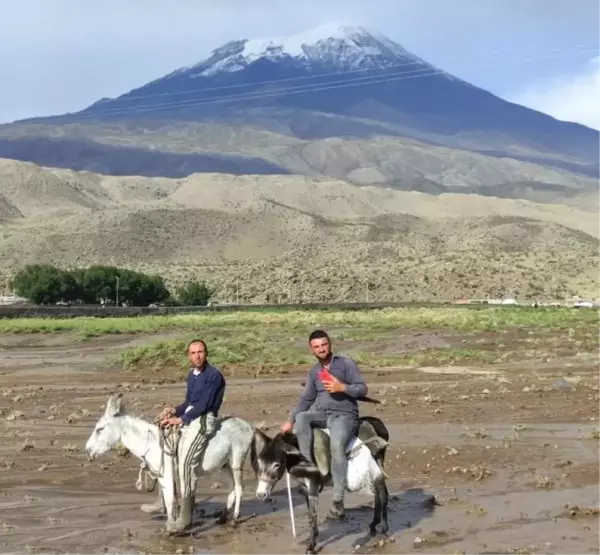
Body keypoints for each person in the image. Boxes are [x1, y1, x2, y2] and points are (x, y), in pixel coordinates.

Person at [281, 329, 367, 520]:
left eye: (324, 345)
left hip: (344, 415)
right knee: (303, 417)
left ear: (330, 344)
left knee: (336, 446)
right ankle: (308, 464)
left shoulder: (346, 364)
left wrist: (342, 387)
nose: (321, 349)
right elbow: (306, 399)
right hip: (322, 414)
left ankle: (338, 499)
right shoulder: (314, 372)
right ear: (311, 349)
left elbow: (362, 388)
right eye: (317, 347)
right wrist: (290, 420)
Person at [142, 338, 226, 533]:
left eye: (201, 352)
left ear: (206, 353)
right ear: (188, 356)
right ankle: (164, 499)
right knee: (166, 447)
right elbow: (189, 401)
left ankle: (185, 518)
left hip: (204, 419)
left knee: (186, 463)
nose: (197, 356)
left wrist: (181, 419)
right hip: (191, 416)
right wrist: (173, 410)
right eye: (193, 353)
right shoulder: (192, 375)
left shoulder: (214, 376)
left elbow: (204, 404)